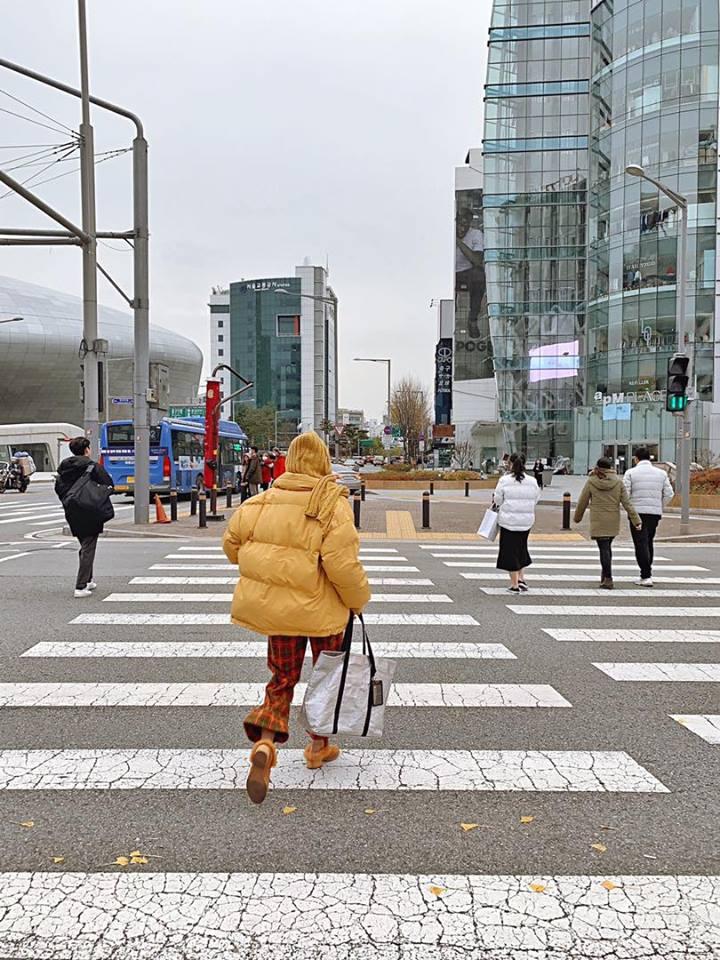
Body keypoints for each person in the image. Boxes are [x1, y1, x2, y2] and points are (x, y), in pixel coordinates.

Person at [223, 431, 371, 805]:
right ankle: (318, 746)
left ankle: (266, 743)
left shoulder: (262, 501)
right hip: (324, 612)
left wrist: (268, 566)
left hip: (279, 614)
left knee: (282, 677)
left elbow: (232, 546)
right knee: (326, 676)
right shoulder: (332, 504)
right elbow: (342, 564)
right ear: (322, 462)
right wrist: (358, 601)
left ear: (289, 462)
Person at [54, 436, 114, 598]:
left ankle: (88, 580)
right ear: (86, 449)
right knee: (88, 547)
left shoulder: (64, 468)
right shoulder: (93, 467)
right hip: (90, 510)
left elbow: (59, 487)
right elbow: (109, 485)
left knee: (85, 544)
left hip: (72, 510)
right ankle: (80, 586)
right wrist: (96, 496)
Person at [573, 457, 642, 589]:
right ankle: (605, 576)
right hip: (613, 519)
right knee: (607, 547)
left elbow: (583, 501)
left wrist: (577, 518)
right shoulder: (618, 482)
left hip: (598, 519)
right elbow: (627, 503)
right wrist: (636, 520)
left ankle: (608, 578)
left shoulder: (591, 481)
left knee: (604, 549)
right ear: (610, 468)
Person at [623, 446, 674, 586]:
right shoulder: (661, 473)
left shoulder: (630, 473)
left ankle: (645, 575)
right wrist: (659, 505)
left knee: (640, 543)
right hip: (654, 513)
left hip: (637, 513)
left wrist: (630, 508)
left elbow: (625, 494)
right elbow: (669, 494)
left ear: (636, 459)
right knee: (648, 541)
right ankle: (647, 572)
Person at [493, 453, 541, 594]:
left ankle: (514, 585)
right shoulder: (532, 481)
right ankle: (521, 579)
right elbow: (536, 499)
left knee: (510, 552)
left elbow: (497, 500)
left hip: (508, 521)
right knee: (521, 548)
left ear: (510, 464)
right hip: (526, 521)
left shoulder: (504, 480)